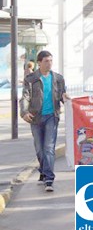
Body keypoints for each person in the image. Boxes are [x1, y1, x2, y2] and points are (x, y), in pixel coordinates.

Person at [20, 51, 69, 192]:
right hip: (35, 117)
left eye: (51, 61)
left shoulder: (58, 78)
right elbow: (25, 97)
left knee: (48, 148)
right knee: (39, 148)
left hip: (51, 117)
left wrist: (67, 100)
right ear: (39, 62)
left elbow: (62, 95)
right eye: (46, 61)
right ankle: (43, 169)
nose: (49, 63)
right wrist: (24, 112)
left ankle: (49, 179)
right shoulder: (31, 78)